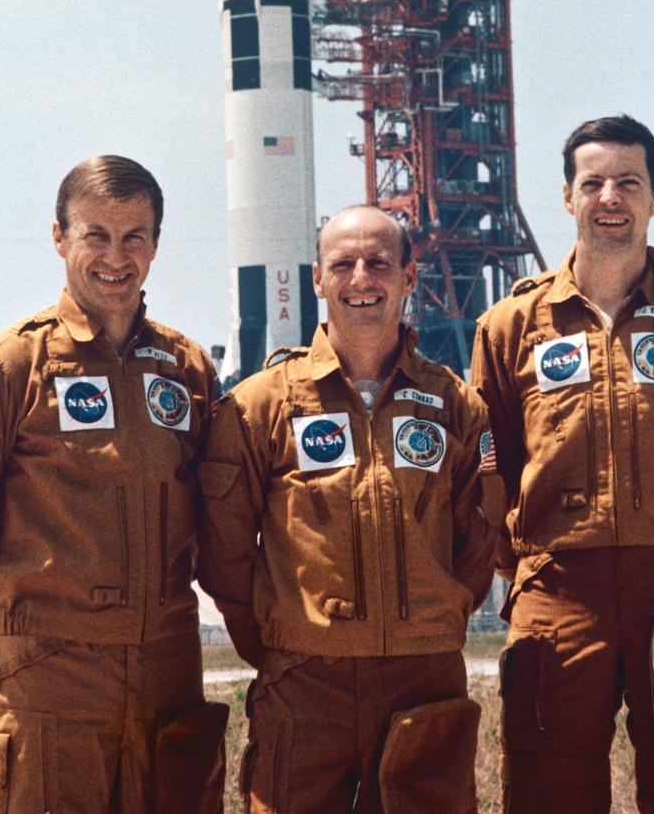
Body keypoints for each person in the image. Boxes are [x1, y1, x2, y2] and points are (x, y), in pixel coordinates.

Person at [0, 155, 227, 814]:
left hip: (167, 679)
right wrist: (25, 639)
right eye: (96, 235)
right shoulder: (6, 371)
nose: (116, 256)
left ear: (155, 245)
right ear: (59, 238)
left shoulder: (188, 370)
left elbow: (219, 523)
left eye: (134, 237)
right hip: (47, 691)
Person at [471, 115, 654, 814]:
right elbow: (486, 463)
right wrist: (528, 566)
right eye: (591, 182)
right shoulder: (509, 326)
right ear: (565, 197)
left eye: (627, 183)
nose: (609, 198)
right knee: (546, 791)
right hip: (558, 592)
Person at [197, 204, 503, 814]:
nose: (361, 278)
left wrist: (427, 619)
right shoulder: (261, 406)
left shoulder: (454, 406)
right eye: (343, 264)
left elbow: (479, 536)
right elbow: (225, 551)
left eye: (379, 263)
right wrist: (288, 637)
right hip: (307, 686)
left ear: (409, 278)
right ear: (317, 279)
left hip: (424, 681)